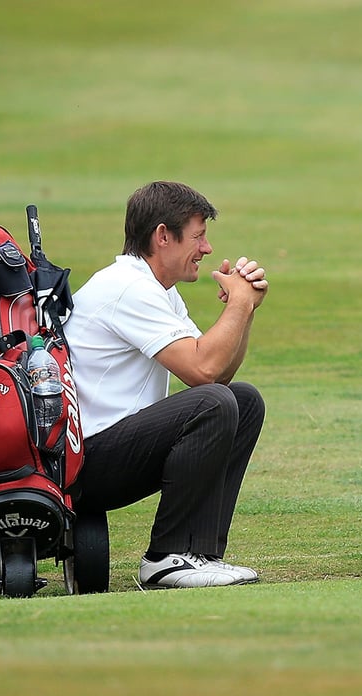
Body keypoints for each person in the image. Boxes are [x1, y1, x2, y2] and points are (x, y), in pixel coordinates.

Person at [65, 181, 269, 588]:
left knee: (242, 401)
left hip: (110, 451)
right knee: (213, 402)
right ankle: (166, 558)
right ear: (162, 236)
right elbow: (203, 373)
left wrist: (243, 311)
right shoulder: (128, 288)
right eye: (198, 236)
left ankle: (199, 554)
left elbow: (219, 373)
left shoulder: (156, 289)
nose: (207, 248)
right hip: (84, 463)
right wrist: (239, 302)